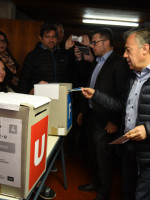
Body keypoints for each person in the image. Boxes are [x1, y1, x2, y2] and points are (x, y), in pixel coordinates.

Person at [80, 27, 150, 200]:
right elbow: (121, 105)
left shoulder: (122, 66)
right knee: (127, 191)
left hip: (147, 153)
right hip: (128, 146)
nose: (125, 55)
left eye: (128, 50)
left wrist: (148, 129)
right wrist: (96, 95)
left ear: (145, 49)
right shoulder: (134, 77)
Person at [18, 23, 75, 200]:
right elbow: (23, 81)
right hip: (38, 107)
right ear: (40, 38)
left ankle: (48, 163)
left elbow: (69, 77)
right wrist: (27, 96)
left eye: (54, 36)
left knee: (53, 143)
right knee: (37, 144)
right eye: (47, 36)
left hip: (58, 107)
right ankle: (38, 182)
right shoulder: (32, 56)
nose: (51, 39)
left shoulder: (62, 55)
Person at [77, 27, 129, 200]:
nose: (92, 46)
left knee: (104, 157)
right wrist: (84, 111)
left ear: (106, 42)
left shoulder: (119, 62)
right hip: (92, 114)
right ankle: (96, 182)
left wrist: (114, 121)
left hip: (106, 119)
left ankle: (104, 193)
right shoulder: (97, 60)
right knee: (93, 153)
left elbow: (122, 95)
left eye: (95, 42)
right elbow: (89, 85)